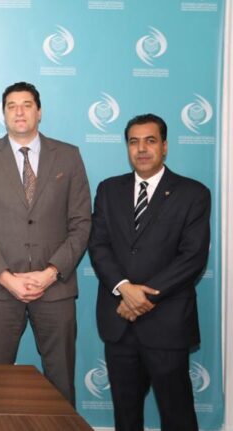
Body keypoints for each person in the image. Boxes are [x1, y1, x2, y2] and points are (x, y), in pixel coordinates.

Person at [0, 82, 91, 404]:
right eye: (12, 106)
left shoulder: (69, 156)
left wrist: (50, 273)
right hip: (0, 290)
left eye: (27, 104)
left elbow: (81, 223)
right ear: (4, 113)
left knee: (61, 382)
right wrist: (6, 278)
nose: (19, 112)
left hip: (56, 288)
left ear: (39, 111)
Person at [89, 114, 209, 430]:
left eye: (150, 141)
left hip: (167, 322)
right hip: (119, 322)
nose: (141, 149)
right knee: (125, 418)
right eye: (134, 142)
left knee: (178, 416)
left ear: (164, 146)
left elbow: (192, 257)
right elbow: (98, 246)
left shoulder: (193, 193)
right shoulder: (108, 190)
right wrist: (124, 288)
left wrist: (142, 297)